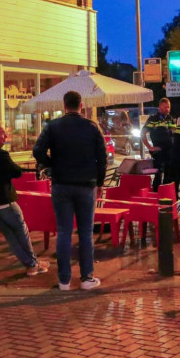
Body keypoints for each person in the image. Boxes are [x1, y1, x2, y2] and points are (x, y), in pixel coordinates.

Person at [32, 91, 107, 291]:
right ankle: (86, 278)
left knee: (64, 232)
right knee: (85, 232)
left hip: (61, 184)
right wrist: (100, 182)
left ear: (64, 105)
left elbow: (37, 151)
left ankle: (64, 280)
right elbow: (102, 158)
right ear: (81, 105)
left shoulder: (53, 126)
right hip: (86, 185)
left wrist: (52, 164)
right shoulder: (92, 127)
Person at [0, 122, 49, 276]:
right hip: (3, 200)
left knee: (10, 235)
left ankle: (30, 264)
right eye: (3, 133)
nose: (6, 136)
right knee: (21, 230)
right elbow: (15, 171)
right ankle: (32, 264)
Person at [141, 97, 175, 192]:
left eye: (168, 107)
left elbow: (174, 134)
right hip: (158, 152)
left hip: (170, 152)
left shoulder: (171, 119)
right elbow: (143, 133)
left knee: (169, 177)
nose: (167, 109)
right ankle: (156, 195)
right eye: (165, 107)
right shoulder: (153, 119)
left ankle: (165, 195)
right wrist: (149, 147)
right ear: (160, 107)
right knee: (158, 176)